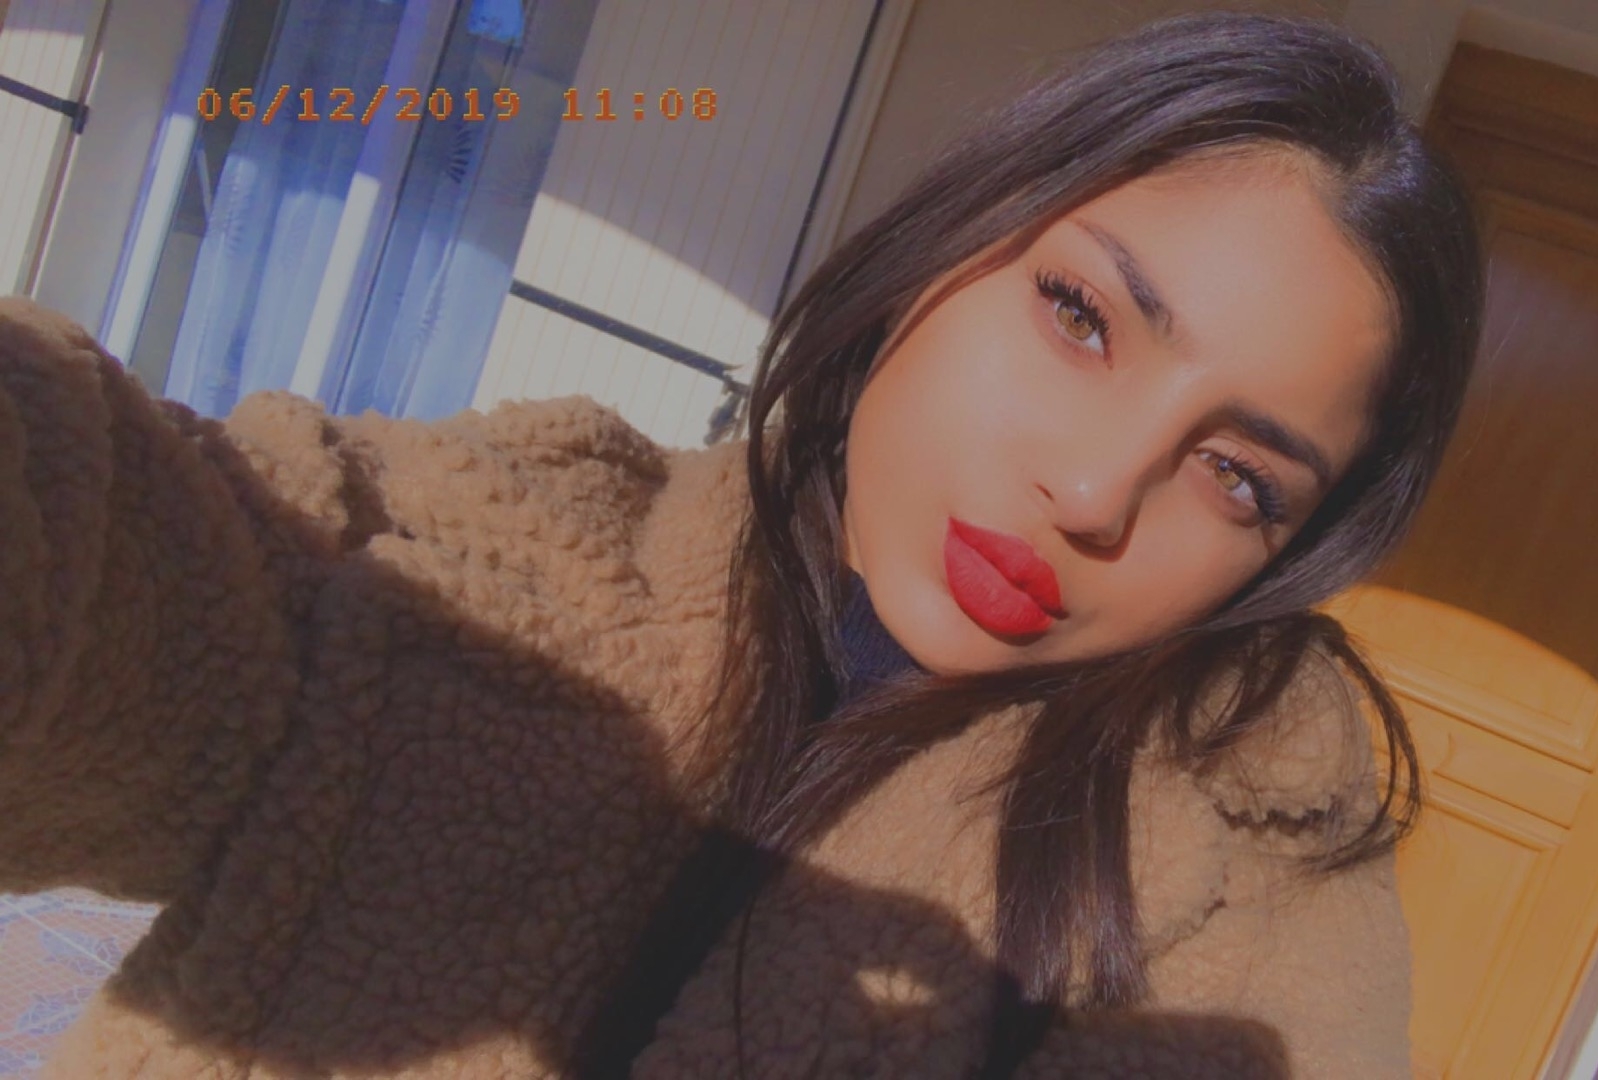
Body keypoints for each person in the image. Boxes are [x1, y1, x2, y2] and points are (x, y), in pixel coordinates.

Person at [0, 11, 1482, 1079]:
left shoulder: (1237, 918)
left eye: (1237, 479)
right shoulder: (534, 535)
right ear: (955, 239)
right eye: (1081, 315)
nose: (1096, 492)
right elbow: (122, 553)